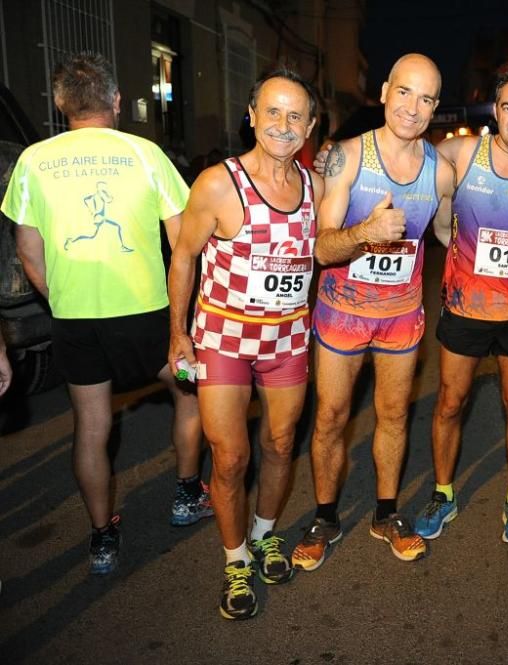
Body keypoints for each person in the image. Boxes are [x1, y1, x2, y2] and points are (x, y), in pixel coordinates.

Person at [1, 52, 208, 575]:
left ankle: (101, 539)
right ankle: (186, 496)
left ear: (61, 105)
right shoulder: (145, 154)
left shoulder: (31, 161)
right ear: (116, 101)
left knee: (91, 427)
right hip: (147, 315)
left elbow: (28, 249)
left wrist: (62, 297)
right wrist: (184, 318)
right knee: (193, 391)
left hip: (75, 321)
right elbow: (182, 242)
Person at [168, 67, 323, 620]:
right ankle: (235, 560)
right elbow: (184, 254)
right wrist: (178, 333)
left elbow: (316, 257)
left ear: (309, 126)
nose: (283, 125)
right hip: (225, 339)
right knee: (231, 458)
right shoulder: (217, 183)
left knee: (281, 444)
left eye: (295, 115)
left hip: (287, 338)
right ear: (252, 116)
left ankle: (263, 535)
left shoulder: (314, 186)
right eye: (272, 112)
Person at [290, 53, 455, 570]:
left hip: (402, 315)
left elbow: (447, 233)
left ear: (434, 108)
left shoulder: (441, 171)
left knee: (393, 414)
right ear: (385, 91)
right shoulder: (348, 158)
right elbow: (320, 248)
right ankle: (324, 517)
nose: (413, 107)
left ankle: (386, 514)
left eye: (426, 98)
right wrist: (366, 234)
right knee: (332, 417)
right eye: (405, 92)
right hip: (342, 313)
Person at [407, 68, 508, 545]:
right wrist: (441, 224)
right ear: (495, 113)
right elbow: (410, 160)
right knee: (451, 404)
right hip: (464, 307)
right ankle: (443, 492)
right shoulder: (462, 152)